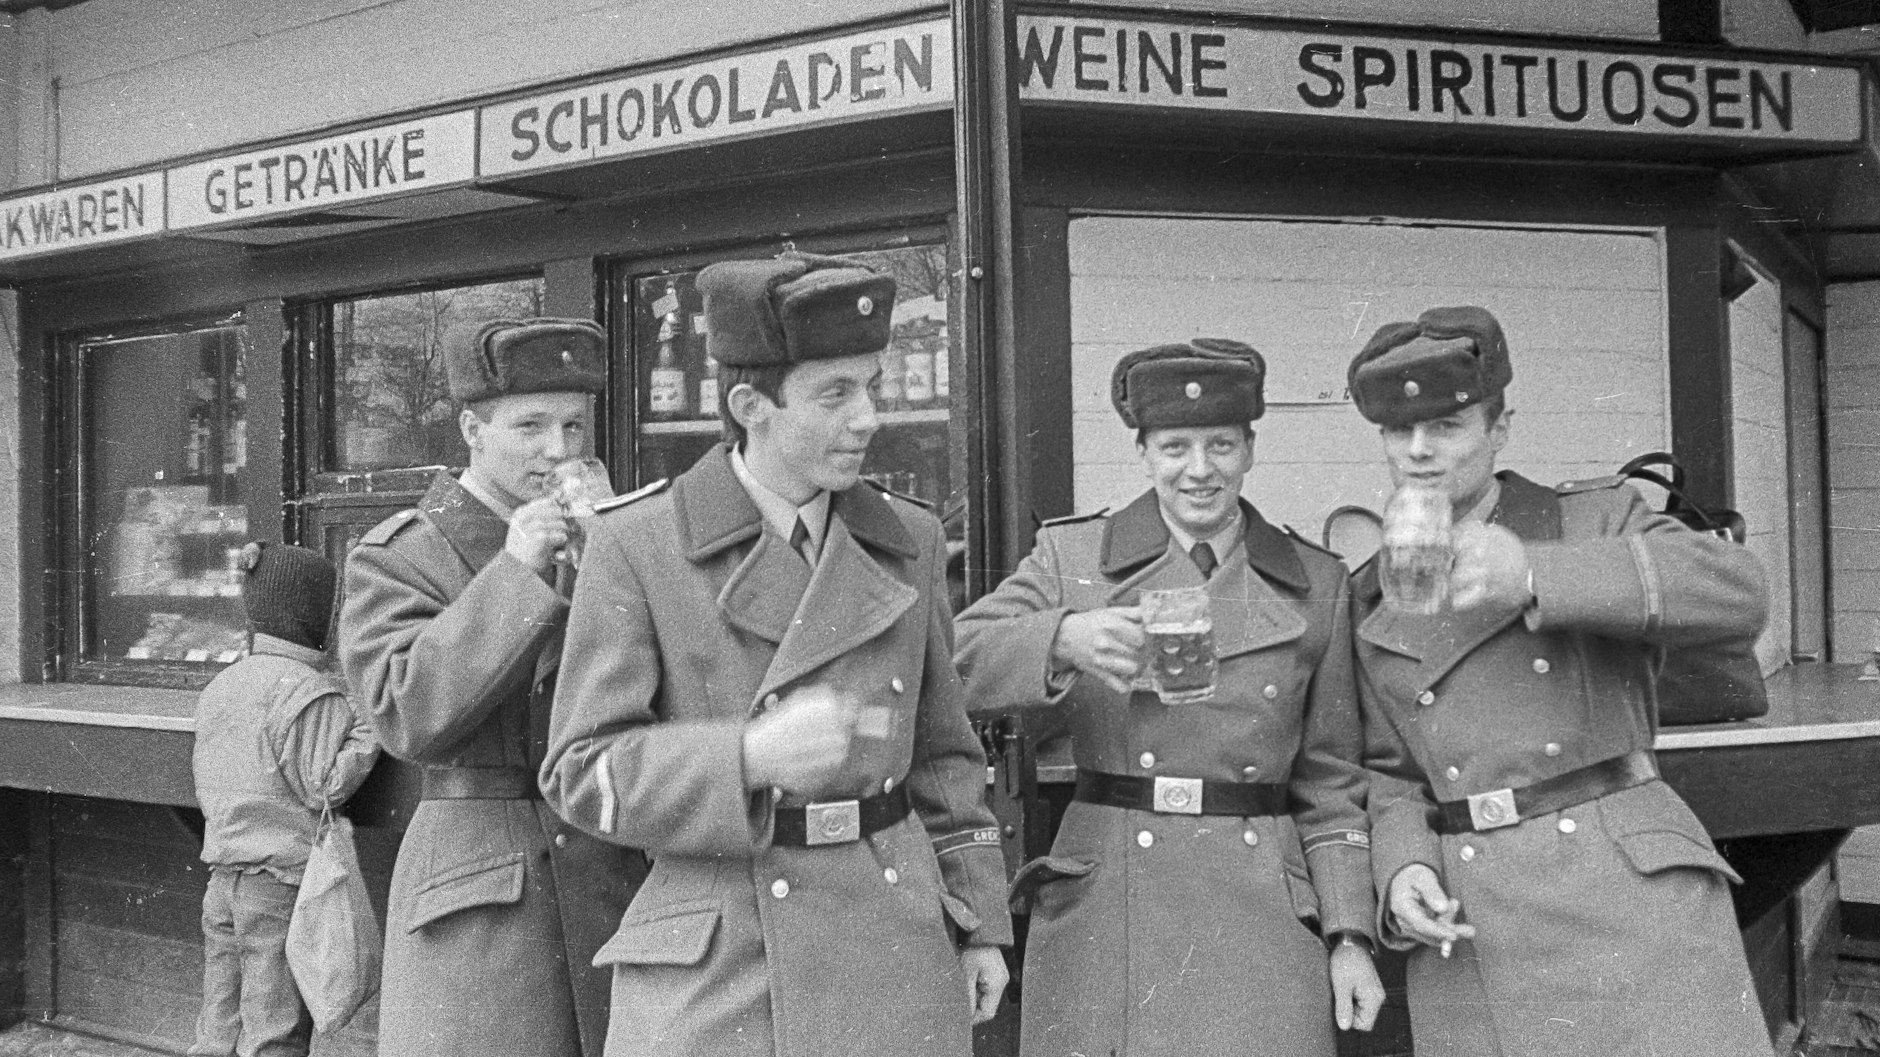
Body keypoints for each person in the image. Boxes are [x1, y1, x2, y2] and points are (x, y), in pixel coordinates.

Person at [540, 252, 1012, 1057]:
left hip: (889, 944)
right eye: (835, 394)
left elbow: (943, 754)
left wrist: (978, 922)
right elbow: (580, 772)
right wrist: (746, 754)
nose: (867, 416)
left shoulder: (911, 538)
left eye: (871, 384)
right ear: (749, 404)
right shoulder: (639, 542)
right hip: (722, 964)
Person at [1348, 306, 1773, 1057]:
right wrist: (1404, 863)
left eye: (1445, 427)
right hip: (1473, 919)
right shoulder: (1372, 594)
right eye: (1397, 432)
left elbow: (1739, 594)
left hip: (1621, 896)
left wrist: (1538, 572)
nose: (1417, 451)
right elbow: (1390, 770)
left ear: (1499, 428)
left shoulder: (1594, 518)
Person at [953, 340, 1383, 1056]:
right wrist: (1061, 636)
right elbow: (956, 662)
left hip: (1260, 907)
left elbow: (1332, 781)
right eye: (1175, 446)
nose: (1199, 469)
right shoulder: (1075, 559)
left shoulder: (1316, 581)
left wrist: (1348, 934)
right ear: (1144, 453)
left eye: (1220, 444)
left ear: (1250, 449)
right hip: (1110, 897)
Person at [339, 318, 646, 1057]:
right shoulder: (400, 556)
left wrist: (622, 561)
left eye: (574, 425)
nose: (560, 450)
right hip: (482, 891)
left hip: (607, 869)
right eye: (531, 425)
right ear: (473, 428)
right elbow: (403, 712)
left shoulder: (610, 537)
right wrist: (516, 574)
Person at [191, 542, 378, 1057]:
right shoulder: (306, 690)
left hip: (223, 881)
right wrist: (364, 730)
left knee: (219, 1028)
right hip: (278, 887)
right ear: (313, 616)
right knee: (276, 1033)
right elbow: (324, 787)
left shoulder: (223, 685)